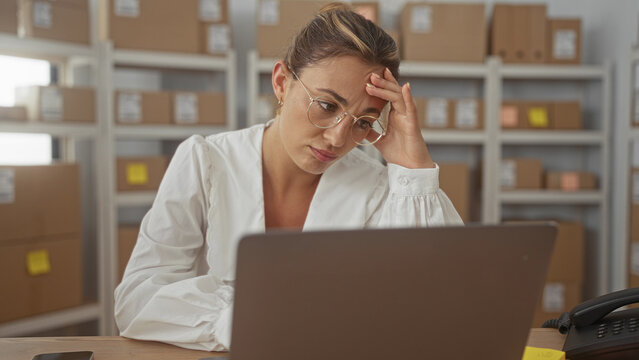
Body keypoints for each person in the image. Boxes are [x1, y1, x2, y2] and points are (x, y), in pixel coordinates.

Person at [114, 2, 463, 352]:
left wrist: (413, 168)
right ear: (282, 83)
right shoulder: (206, 161)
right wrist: (242, 322)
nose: (337, 139)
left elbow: (439, 299)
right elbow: (136, 299)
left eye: (363, 122)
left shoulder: (379, 188)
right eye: (326, 106)